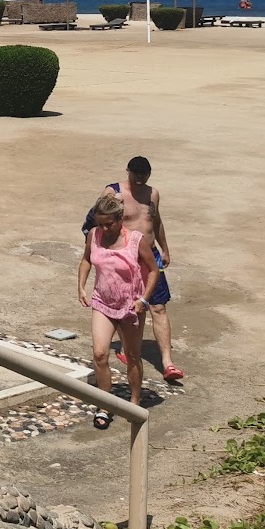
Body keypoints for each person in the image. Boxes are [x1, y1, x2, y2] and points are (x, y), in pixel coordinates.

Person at [95, 155, 183, 383]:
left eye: (145, 178)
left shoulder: (152, 193)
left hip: (150, 255)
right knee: (125, 305)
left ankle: (167, 362)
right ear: (128, 172)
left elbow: (157, 221)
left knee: (159, 306)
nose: (140, 182)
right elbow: (97, 222)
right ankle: (127, 348)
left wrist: (165, 248)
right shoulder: (113, 193)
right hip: (125, 255)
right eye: (136, 178)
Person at [78, 191, 160, 428]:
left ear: (119, 220)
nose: (103, 229)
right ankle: (105, 403)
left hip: (130, 305)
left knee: (132, 356)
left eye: (108, 224)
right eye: (100, 224)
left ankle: (134, 401)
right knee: (100, 353)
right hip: (103, 301)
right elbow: (86, 260)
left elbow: (153, 270)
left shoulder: (135, 241)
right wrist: (81, 286)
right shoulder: (94, 235)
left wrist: (144, 300)